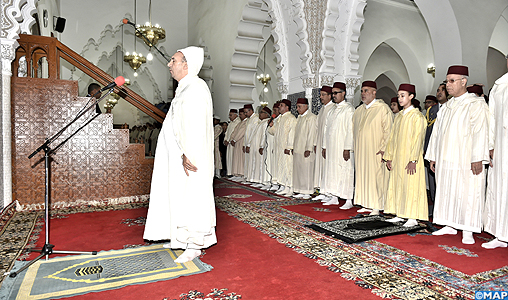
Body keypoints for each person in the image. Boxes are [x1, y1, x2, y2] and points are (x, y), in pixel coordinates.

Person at [143, 46, 216, 263]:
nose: (169, 64)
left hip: (191, 157)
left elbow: (195, 127)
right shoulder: (185, 88)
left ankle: (193, 244)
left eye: (173, 60)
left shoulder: (196, 88)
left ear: (186, 64)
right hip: (180, 155)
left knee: (192, 197)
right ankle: (181, 238)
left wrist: (188, 153)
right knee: (179, 196)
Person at [425, 65, 489, 244]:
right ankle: (449, 224)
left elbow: (481, 131)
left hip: (466, 158)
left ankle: (468, 228)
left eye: (452, 81)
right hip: (446, 158)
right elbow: (436, 133)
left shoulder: (475, 104)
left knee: (468, 191)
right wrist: (433, 156)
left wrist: (478, 157)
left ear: (464, 82)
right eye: (447, 81)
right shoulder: (445, 107)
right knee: (446, 190)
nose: (448, 85)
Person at [384, 84, 427, 227]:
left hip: (410, 158)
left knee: (411, 186)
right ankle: (399, 213)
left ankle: (412, 217)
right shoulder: (398, 117)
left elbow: (418, 139)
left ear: (411, 97)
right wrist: (389, 156)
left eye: (403, 95)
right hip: (397, 157)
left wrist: (413, 159)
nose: (400, 98)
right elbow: (392, 138)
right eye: (399, 95)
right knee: (398, 184)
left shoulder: (417, 116)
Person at [352, 80, 393, 215]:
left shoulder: (382, 108)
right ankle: (366, 202)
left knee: (376, 177)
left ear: (374, 93)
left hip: (376, 150)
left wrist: (384, 148)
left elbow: (388, 130)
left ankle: (376, 205)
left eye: (366, 91)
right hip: (361, 151)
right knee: (363, 175)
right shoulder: (359, 110)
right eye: (362, 91)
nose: (363, 94)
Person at [483, 55, 508, 249]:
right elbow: (491, 119)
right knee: (500, 188)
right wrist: (490, 146)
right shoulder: (499, 86)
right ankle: (500, 234)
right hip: (501, 146)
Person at [320, 82, 355, 208]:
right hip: (331, 147)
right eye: (333, 93)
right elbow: (326, 130)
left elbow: (350, 130)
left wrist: (347, 148)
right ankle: (334, 197)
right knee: (332, 171)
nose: (333, 95)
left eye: (336, 93)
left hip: (342, 147)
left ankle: (348, 200)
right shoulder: (332, 110)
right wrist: (324, 146)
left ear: (343, 93)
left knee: (345, 171)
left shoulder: (349, 109)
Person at [268, 99, 297, 196]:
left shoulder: (291, 118)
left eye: (281, 105)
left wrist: (289, 146)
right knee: (281, 168)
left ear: (287, 107)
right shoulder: (280, 118)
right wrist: (271, 126)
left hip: (286, 148)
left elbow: (292, 133)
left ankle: (290, 188)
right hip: (279, 148)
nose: (279, 107)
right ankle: (284, 186)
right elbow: (273, 132)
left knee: (288, 167)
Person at [312, 85, 335, 201]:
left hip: (328, 145)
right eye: (320, 95)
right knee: (320, 167)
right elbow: (317, 129)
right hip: (320, 143)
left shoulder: (333, 108)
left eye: (323, 95)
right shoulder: (322, 109)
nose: (321, 97)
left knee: (327, 167)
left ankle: (329, 193)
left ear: (330, 96)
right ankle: (321, 189)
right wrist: (316, 144)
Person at [292, 98, 317, 199]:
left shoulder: (311, 117)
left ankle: (307, 191)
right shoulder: (299, 117)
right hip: (298, 148)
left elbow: (312, 134)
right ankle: (301, 190)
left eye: (299, 106)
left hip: (306, 149)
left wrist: (309, 148)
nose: (297, 109)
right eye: (297, 106)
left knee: (307, 171)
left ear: (306, 106)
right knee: (299, 171)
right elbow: (296, 135)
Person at [423, 94, 439, 213]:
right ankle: (433, 202)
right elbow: (428, 133)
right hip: (431, 149)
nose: (427, 104)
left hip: (443, 151)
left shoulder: (447, 108)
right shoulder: (431, 111)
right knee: (432, 178)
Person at [250, 106, 272, 187]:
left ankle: (263, 181)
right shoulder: (261, 122)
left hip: (261, 147)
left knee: (261, 164)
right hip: (256, 146)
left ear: (267, 114)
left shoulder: (266, 122)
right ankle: (257, 180)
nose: (259, 114)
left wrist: (262, 146)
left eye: (262, 112)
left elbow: (264, 135)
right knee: (257, 163)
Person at [242, 104, 260, 183]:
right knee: (247, 161)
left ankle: (252, 179)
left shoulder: (256, 119)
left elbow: (253, 133)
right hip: (247, 143)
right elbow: (246, 133)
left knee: (252, 161)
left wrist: (249, 144)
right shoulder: (249, 119)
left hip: (252, 144)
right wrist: (244, 144)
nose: (245, 114)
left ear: (251, 110)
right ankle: (247, 177)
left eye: (246, 112)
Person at [230, 109, 248, 181]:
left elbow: (241, 132)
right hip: (236, 143)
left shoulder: (246, 122)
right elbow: (234, 132)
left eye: (241, 114)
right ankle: (236, 174)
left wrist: (234, 139)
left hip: (241, 142)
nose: (239, 116)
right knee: (236, 158)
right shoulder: (240, 123)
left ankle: (241, 174)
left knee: (240, 159)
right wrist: (232, 139)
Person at [224, 109, 240, 177]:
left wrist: (231, 140)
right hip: (228, 144)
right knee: (229, 159)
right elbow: (227, 133)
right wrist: (225, 140)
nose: (229, 117)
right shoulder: (230, 123)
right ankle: (229, 173)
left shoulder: (238, 122)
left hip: (234, 143)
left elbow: (236, 133)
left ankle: (234, 174)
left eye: (231, 115)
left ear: (235, 115)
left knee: (234, 159)